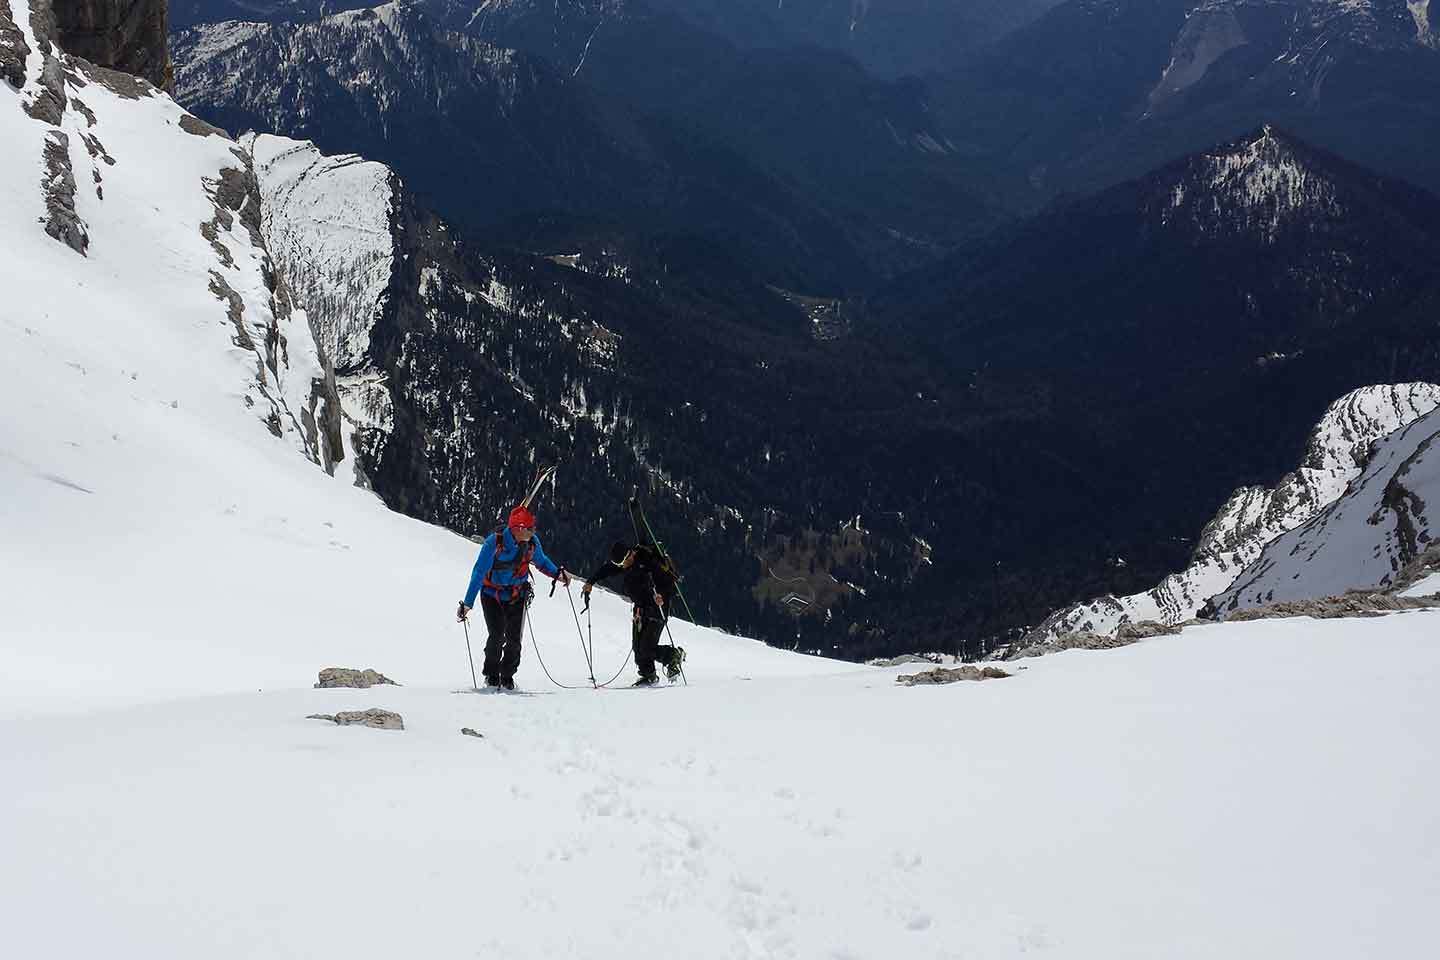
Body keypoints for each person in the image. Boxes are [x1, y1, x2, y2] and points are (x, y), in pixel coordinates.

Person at [456, 505, 570, 690]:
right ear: (518, 529)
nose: (534, 531)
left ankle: (507, 676)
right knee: (497, 635)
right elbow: (479, 572)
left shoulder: (531, 542)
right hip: (491, 595)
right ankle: (492, 675)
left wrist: (558, 574)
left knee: (514, 639)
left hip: (517, 594)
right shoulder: (494, 543)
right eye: (530, 528)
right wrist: (468, 603)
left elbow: (541, 561)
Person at [583, 540, 685, 686]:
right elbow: (607, 569)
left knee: (647, 647)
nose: (621, 567)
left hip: (658, 608)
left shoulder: (649, 563)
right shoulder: (626, 562)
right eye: (619, 564)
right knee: (638, 648)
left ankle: (673, 656)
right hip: (640, 608)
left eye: (623, 562)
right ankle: (648, 675)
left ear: (630, 554)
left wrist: (662, 595)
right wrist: (590, 582)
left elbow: (670, 585)